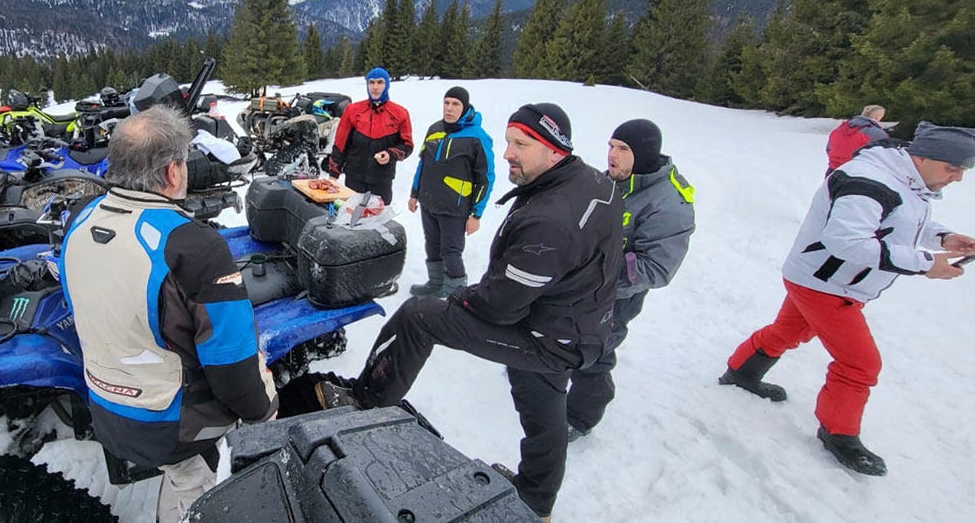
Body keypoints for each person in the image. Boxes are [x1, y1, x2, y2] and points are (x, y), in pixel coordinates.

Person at [318, 103, 624, 521]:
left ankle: (363, 402)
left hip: (547, 332)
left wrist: (462, 299)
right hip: (575, 322)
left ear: (555, 150)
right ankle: (537, 503)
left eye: (521, 145)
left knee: (419, 316)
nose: (508, 153)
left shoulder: (551, 221)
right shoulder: (595, 183)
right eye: (509, 141)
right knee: (543, 396)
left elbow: (500, 304)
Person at [60, 106, 278, 523]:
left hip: (105, 403)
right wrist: (264, 412)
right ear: (173, 172)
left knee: (181, 472)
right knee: (205, 488)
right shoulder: (194, 246)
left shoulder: (80, 218)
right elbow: (232, 365)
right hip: (175, 427)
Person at [721, 121, 975, 476]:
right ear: (922, 157)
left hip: (821, 278)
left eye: (963, 170)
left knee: (790, 330)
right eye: (952, 168)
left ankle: (741, 373)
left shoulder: (903, 179)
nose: (957, 178)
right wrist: (925, 263)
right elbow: (847, 242)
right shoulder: (869, 181)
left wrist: (942, 238)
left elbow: (897, 222)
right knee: (860, 364)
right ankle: (838, 435)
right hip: (826, 285)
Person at [566, 119, 695, 441]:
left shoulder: (670, 203)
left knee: (595, 351)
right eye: (611, 146)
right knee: (556, 329)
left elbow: (656, 267)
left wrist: (597, 274)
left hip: (617, 296)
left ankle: (580, 418)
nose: (612, 155)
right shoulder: (610, 180)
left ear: (644, 154)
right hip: (577, 281)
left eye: (623, 149)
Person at [408, 86, 495, 298]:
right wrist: (414, 193)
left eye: (455, 104)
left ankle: (455, 295)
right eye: (446, 103)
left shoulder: (478, 137)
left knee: (451, 252)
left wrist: (476, 214)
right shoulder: (434, 129)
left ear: (465, 107)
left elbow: (485, 178)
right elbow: (423, 164)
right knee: (432, 246)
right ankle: (436, 285)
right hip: (429, 202)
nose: (449, 108)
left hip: (455, 207)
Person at [323, 67, 413, 205]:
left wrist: (390, 154)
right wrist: (333, 175)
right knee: (350, 214)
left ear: (387, 85)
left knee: (379, 216)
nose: (375, 87)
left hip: (382, 179)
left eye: (380, 82)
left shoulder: (400, 113)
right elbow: (340, 144)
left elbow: (407, 145)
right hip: (354, 178)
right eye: (371, 82)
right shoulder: (353, 110)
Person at [826, 105, 894, 176]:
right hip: (859, 173)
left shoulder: (839, 129)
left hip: (834, 171)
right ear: (878, 117)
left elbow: (829, 149)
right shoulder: (876, 133)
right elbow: (887, 156)